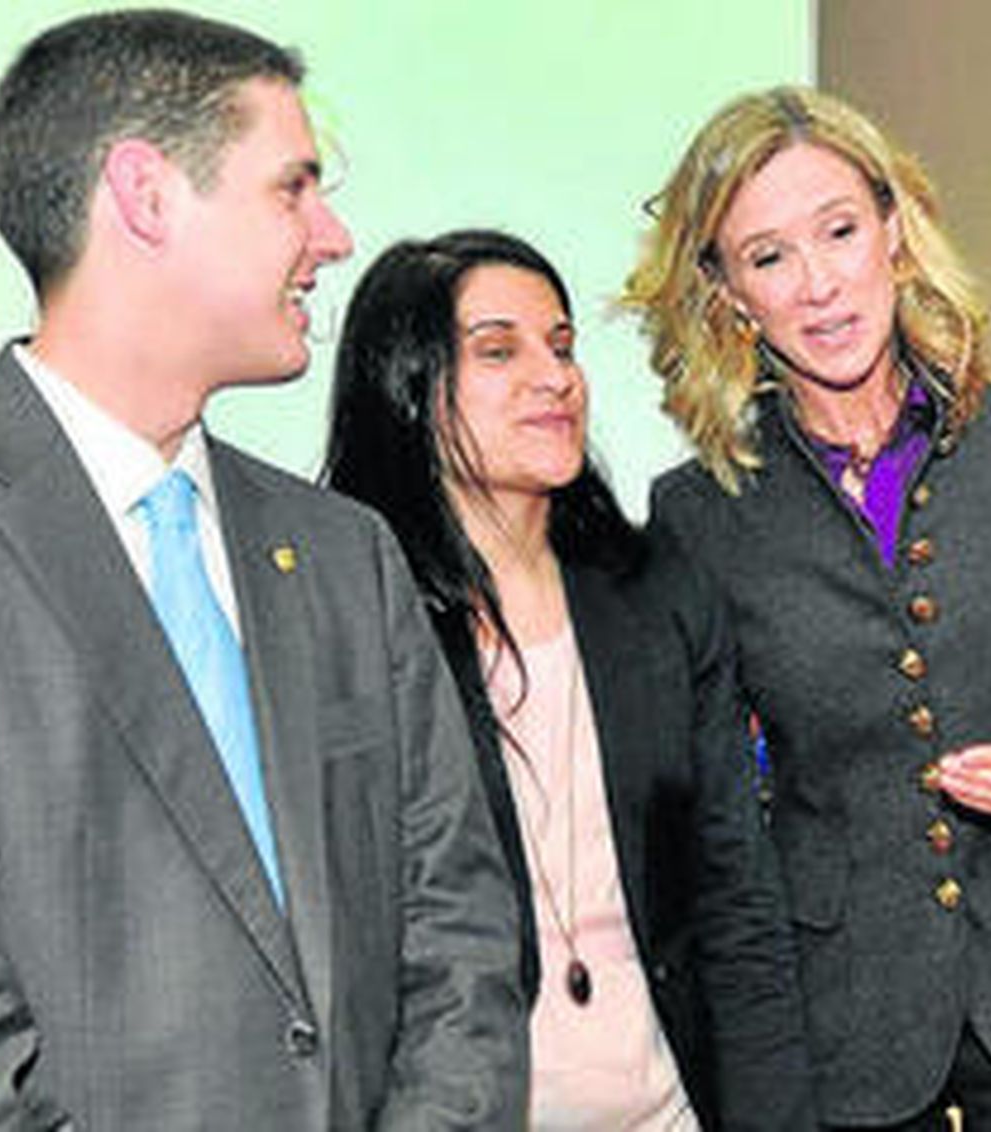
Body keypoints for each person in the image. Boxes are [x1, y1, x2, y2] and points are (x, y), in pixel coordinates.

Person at [0, 12, 526, 1128]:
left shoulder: (343, 555)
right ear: (146, 195)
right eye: (292, 187)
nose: (331, 234)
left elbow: (459, 935)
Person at [624, 86, 991, 1129]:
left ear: (894, 230)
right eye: (767, 257)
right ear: (724, 293)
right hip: (844, 1022)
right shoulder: (697, 513)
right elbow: (702, 795)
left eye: (838, 231)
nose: (818, 286)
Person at [323, 229, 815, 1131]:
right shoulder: (352, 622)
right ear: (405, 385)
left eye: (561, 345)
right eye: (498, 351)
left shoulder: (659, 594)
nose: (554, 377)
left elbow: (736, 904)